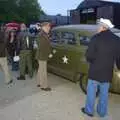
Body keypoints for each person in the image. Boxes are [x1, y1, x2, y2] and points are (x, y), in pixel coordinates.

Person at [81, 18, 120, 118]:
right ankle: (102, 113)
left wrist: (92, 61)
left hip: (95, 71)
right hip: (107, 72)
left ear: (103, 27)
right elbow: (118, 57)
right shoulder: (117, 39)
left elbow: (89, 55)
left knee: (91, 93)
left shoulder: (95, 38)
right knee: (104, 94)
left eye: (99, 26)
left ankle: (89, 111)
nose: (97, 28)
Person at [36, 22, 51, 91]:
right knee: (43, 71)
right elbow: (42, 47)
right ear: (44, 27)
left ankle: (39, 82)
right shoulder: (41, 34)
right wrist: (49, 54)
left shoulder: (44, 34)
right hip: (42, 56)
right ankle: (44, 86)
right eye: (48, 27)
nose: (49, 28)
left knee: (40, 70)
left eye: (49, 27)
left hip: (42, 55)